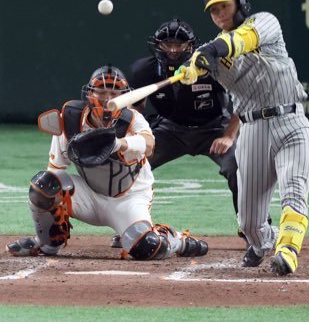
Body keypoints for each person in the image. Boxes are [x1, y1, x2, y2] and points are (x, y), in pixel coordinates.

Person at [176, 0, 309, 275]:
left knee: (293, 189)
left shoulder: (265, 23)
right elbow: (197, 65)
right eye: (213, 11)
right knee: (249, 222)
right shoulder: (210, 52)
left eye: (224, 6)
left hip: (290, 122)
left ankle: (288, 249)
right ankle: (264, 241)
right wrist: (189, 69)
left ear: (239, 3)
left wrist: (209, 52)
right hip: (252, 130)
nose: (219, 14)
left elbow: (240, 41)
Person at [7, 65, 208, 260]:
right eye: (102, 91)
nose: (107, 98)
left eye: (114, 92)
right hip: (89, 194)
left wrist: (120, 144)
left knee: (149, 247)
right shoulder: (70, 119)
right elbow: (55, 171)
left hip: (128, 199)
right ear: (89, 94)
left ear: (125, 96)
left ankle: (176, 240)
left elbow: (149, 144)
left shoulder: (132, 119)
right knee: (44, 185)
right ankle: (48, 243)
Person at [111, 18, 254, 249]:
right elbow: (136, 109)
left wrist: (229, 135)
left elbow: (242, 100)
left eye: (180, 45)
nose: (173, 50)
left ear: (191, 46)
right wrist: (131, 137)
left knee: (238, 165)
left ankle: (253, 228)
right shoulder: (145, 70)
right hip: (170, 130)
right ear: (157, 45)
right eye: (167, 44)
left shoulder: (212, 65)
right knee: (130, 163)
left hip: (214, 128)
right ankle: (130, 226)